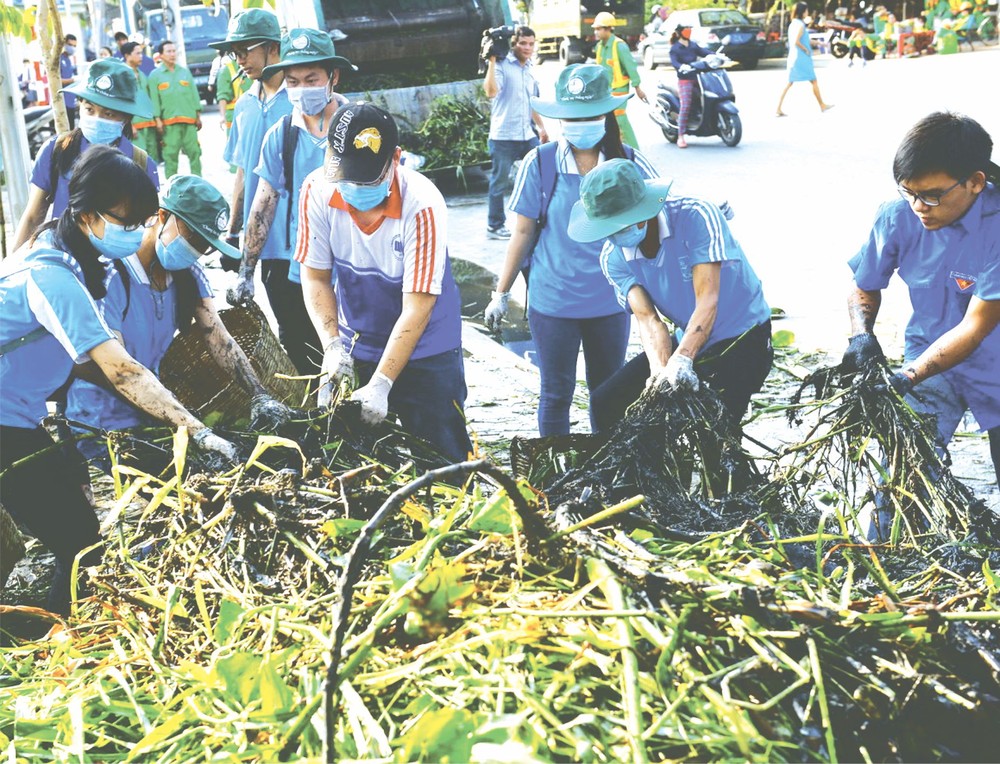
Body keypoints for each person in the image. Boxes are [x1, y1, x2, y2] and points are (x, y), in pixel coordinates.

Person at [0, 147, 238, 615]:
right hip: (5, 419)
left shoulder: (79, 258)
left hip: (18, 414)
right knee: (79, 538)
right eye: (128, 223)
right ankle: (54, 643)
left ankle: (50, 633)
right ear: (87, 214)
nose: (137, 234)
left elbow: (91, 365)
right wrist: (196, 430)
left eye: (143, 222)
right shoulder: (51, 274)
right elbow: (120, 368)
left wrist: (169, 415)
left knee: (76, 532)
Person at [67, 174, 294, 475]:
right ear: (163, 216)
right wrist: (189, 423)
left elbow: (218, 337)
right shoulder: (112, 275)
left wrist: (259, 395)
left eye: (206, 246)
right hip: (103, 423)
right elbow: (117, 372)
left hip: (154, 412)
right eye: (194, 239)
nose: (199, 250)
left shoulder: (188, 274)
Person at [484, 65, 659, 437]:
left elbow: (661, 211)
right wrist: (501, 292)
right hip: (553, 303)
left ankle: (608, 472)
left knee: (608, 393)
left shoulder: (627, 161)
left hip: (612, 300)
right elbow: (523, 233)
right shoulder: (541, 163)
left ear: (606, 114)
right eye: (573, 117)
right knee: (556, 394)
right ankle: (554, 479)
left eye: (590, 115)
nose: (581, 123)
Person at [296, 102, 473, 464]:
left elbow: (418, 306)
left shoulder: (422, 204)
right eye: (346, 177)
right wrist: (332, 347)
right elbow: (315, 276)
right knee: (360, 462)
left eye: (367, 179)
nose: (354, 189)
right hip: (357, 341)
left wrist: (381, 383)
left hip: (427, 347)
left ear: (396, 158)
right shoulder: (316, 190)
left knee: (443, 457)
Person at [842, 112, 1000, 485]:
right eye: (909, 193)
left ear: (976, 182)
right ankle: (880, 543)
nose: (918, 207)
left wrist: (907, 376)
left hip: (993, 366)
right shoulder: (898, 215)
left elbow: (976, 327)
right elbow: (865, 282)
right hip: (929, 357)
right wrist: (861, 334)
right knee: (901, 474)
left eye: (931, 195)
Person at [567, 159, 773, 435]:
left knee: (714, 430)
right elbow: (648, 320)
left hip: (742, 336)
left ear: (643, 209)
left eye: (621, 224)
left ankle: (726, 474)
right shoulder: (613, 257)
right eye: (609, 229)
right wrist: (659, 373)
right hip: (685, 335)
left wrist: (683, 359)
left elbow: (708, 299)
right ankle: (625, 477)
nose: (616, 235)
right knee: (606, 403)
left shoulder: (696, 215)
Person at [225, 29, 353, 379]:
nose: (301, 89)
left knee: (356, 350)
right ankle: (321, 421)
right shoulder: (281, 134)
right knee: (303, 348)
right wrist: (246, 271)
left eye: (311, 79)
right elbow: (263, 205)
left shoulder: (358, 127)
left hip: (353, 267)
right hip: (296, 265)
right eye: (293, 80)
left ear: (333, 77)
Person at [12, 58, 161, 252]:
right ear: (80, 106)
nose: (97, 119)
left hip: (118, 269)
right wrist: (9, 268)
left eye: (108, 114)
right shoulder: (57, 150)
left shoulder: (140, 163)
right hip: (63, 260)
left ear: (126, 117)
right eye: (89, 109)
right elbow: (33, 217)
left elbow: (149, 228)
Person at [208, 9, 291, 269]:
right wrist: (233, 234)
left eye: (246, 50)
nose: (240, 60)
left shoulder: (301, 102)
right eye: (235, 53)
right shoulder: (244, 105)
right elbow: (243, 174)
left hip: (308, 242)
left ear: (273, 47)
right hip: (265, 245)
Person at [483, 25, 549, 240]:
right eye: (523, 43)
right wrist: (491, 61)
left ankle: (542, 219)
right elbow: (491, 92)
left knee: (544, 173)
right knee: (499, 183)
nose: (527, 47)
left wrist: (541, 127)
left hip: (526, 136)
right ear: (514, 44)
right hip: (503, 137)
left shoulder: (529, 69)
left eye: (531, 44)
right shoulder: (502, 65)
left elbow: (531, 103)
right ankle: (494, 226)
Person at [592, 11, 648, 149]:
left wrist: (638, 88)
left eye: (598, 29)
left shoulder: (619, 45)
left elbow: (631, 67)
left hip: (619, 90)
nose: (596, 32)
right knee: (607, 122)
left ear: (608, 29)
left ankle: (634, 151)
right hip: (605, 91)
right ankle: (615, 149)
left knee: (620, 120)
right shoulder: (599, 46)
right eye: (596, 29)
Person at [148, 40, 203, 177]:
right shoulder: (155, 76)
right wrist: (157, 119)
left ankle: (198, 183)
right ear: (160, 55)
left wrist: (197, 115)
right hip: (168, 124)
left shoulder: (184, 73)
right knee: (170, 156)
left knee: (195, 153)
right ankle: (171, 186)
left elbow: (194, 94)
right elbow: (154, 100)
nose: (173, 54)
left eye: (174, 51)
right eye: (169, 51)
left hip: (189, 121)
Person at [776, 2, 833, 116]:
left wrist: (820, 43)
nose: (807, 12)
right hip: (801, 58)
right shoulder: (801, 25)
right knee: (813, 80)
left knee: (790, 82)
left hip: (794, 57)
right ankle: (822, 105)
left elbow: (804, 40)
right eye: (806, 10)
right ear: (802, 12)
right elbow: (797, 41)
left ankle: (778, 108)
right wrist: (806, 50)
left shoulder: (793, 24)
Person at [668, 24, 714, 149]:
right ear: (679, 33)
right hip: (685, 79)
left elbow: (704, 52)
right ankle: (681, 135)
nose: (689, 33)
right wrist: (681, 66)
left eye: (690, 31)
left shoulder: (693, 45)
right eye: (686, 31)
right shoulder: (675, 48)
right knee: (686, 105)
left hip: (699, 77)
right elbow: (674, 62)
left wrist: (716, 55)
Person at [121, 41, 159, 161]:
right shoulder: (122, 75)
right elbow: (120, 103)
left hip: (149, 124)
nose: (141, 56)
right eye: (137, 53)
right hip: (134, 126)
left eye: (141, 53)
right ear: (127, 56)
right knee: (138, 160)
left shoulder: (142, 74)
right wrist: (129, 125)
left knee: (152, 159)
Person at [214, 52, 248, 135]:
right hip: (234, 116)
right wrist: (222, 116)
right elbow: (222, 96)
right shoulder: (226, 70)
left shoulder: (253, 68)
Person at [60, 34, 78, 129]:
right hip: (62, 102)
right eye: (70, 45)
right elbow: (55, 80)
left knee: (71, 129)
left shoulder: (68, 60)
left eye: (74, 46)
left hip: (70, 100)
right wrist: (73, 80)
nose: (72, 48)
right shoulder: (58, 59)